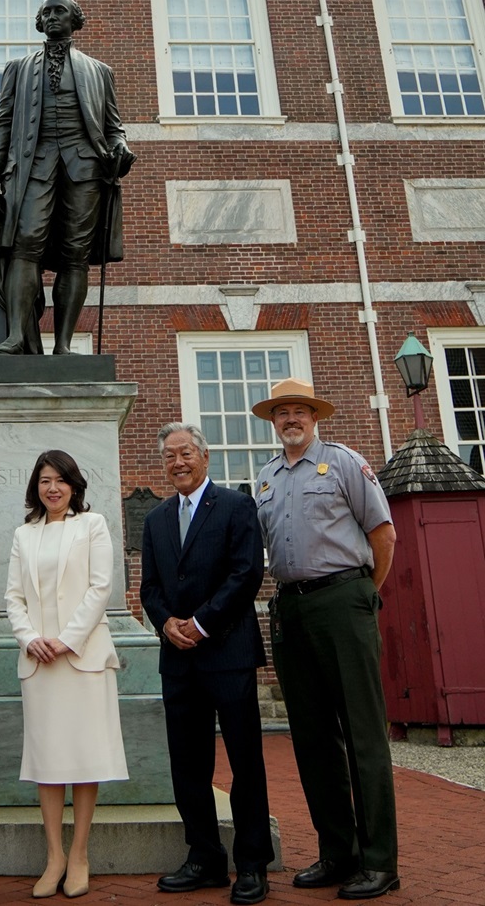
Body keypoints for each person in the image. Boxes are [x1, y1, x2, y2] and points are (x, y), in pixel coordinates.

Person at [252, 379, 399, 902]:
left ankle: (380, 862)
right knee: (312, 739)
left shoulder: (342, 463)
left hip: (343, 600)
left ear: (314, 417)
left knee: (362, 734)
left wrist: (363, 595)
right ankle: (338, 852)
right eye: (281, 412)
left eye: (299, 411)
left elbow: (383, 533)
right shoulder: (265, 478)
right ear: (273, 421)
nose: (290, 418)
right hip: (291, 607)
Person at [141, 423, 272, 905]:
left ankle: (253, 863)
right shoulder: (155, 519)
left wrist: (201, 623)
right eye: (169, 456)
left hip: (228, 654)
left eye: (185, 453)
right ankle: (204, 857)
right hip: (177, 660)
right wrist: (166, 624)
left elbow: (247, 574)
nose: (177, 462)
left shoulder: (237, 506)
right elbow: (149, 587)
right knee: (188, 763)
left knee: (245, 761)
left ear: (204, 457)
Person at [0, 0, 134, 355]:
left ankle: (63, 345)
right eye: (45, 12)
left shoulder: (99, 71)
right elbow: (2, 124)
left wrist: (120, 146)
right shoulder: (18, 68)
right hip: (33, 165)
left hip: (85, 168)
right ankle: (16, 336)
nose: (51, 17)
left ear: (75, 19)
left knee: (75, 254)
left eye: (59, 11)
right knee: (24, 244)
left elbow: (113, 126)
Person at [5, 449, 127, 901]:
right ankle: (53, 855)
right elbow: (13, 596)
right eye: (43, 481)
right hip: (40, 661)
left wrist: (67, 638)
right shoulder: (23, 534)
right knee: (48, 761)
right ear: (35, 488)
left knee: (83, 757)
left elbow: (100, 587)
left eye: (59, 479)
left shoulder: (91, 526)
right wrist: (30, 637)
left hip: (82, 658)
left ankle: (79, 854)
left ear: (74, 485)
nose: (51, 488)